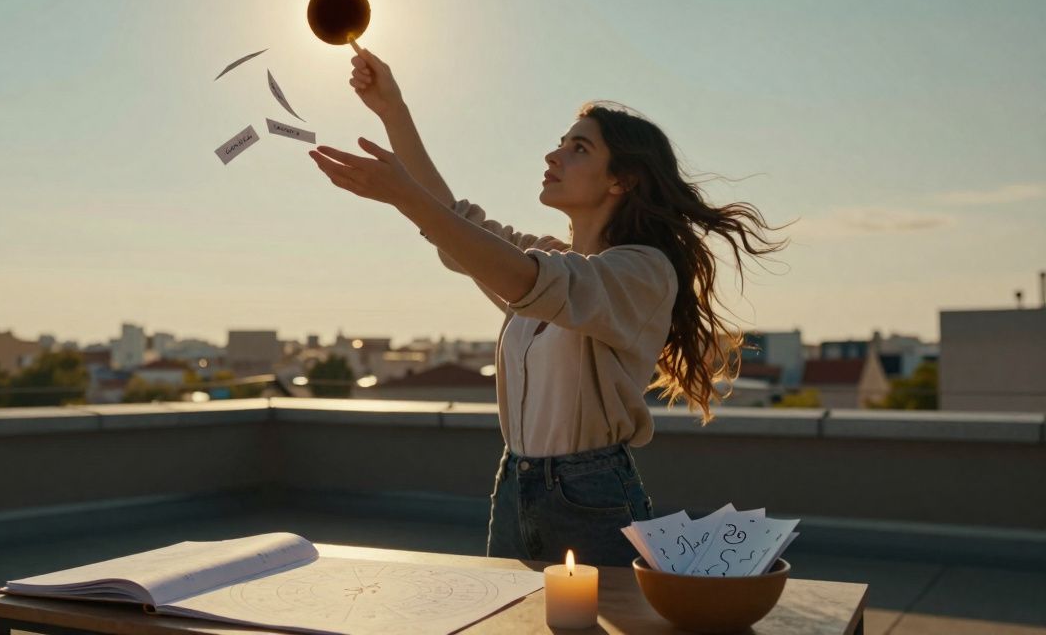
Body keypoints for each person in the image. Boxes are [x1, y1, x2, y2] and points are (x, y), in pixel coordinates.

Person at [307, 45, 787, 566]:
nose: (552, 155)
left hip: (592, 497)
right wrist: (392, 108)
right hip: (514, 485)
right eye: (561, 144)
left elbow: (520, 274)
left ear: (621, 180)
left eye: (578, 148)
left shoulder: (641, 271)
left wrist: (404, 196)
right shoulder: (557, 261)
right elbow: (457, 227)